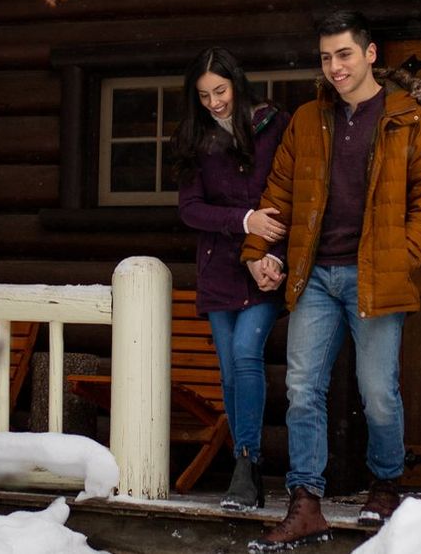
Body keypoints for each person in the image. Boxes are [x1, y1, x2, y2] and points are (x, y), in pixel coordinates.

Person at [242, 11, 421, 552]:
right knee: (301, 388)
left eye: (344, 55)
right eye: (326, 57)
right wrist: (257, 249)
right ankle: (305, 501)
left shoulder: (410, 120)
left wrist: (397, 257)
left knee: (378, 391)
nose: (334, 67)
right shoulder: (309, 119)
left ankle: (386, 484)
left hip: (374, 276)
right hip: (315, 276)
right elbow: (280, 191)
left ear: (370, 54)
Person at [173, 47, 291, 511]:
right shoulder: (194, 138)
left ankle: (246, 462)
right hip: (219, 268)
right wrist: (244, 221)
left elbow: (289, 195)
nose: (214, 103)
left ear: (236, 85)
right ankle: (250, 471)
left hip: (265, 269)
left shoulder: (273, 126)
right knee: (229, 370)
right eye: (203, 95)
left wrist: (273, 257)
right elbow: (190, 209)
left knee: (246, 355)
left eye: (219, 91)